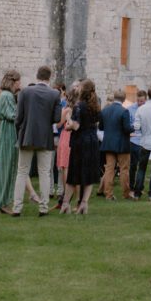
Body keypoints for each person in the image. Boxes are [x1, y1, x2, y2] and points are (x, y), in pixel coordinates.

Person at [12, 65, 62, 216]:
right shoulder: (55, 94)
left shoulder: (25, 92)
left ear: (37, 76)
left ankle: (17, 208)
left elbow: (18, 118)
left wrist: (21, 129)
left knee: (22, 172)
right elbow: (57, 118)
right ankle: (43, 208)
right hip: (45, 137)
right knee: (44, 173)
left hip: (27, 135)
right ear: (49, 77)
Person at [62, 78, 101, 215]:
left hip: (81, 142)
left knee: (74, 172)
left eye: (79, 87)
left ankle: (65, 203)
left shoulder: (79, 106)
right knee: (88, 173)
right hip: (92, 141)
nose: (77, 89)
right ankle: (84, 203)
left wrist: (68, 119)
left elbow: (76, 126)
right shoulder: (95, 105)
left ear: (83, 90)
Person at [99, 89, 134, 201]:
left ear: (114, 98)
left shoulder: (105, 110)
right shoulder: (124, 111)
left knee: (109, 169)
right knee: (124, 169)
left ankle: (108, 194)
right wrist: (134, 127)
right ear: (124, 99)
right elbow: (127, 129)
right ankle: (126, 194)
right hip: (122, 144)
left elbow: (101, 127)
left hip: (108, 143)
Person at [0, 70, 21, 214]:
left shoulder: (5, 95)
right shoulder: (7, 95)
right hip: (8, 131)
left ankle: (2, 202)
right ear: (13, 82)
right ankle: (3, 203)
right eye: (18, 81)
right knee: (8, 166)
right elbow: (12, 115)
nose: (19, 84)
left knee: (7, 166)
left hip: (7, 130)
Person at [54, 81, 78, 208]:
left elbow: (58, 125)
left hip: (66, 136)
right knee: (74, 166)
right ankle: (76, 195)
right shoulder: (78, 109)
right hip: (75, 137)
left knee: (65, 166)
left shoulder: (66, 110)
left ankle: (66, 194)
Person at [128, 89, 147, 195]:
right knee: (133, 165)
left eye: (142, 101)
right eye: (139, 101)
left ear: (146, 100)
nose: (140, 103)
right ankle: (131, 187)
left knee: (142, 166)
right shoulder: (130, 109)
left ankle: (139, 187)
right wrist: (133, 127)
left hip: (144, 141)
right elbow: (128, 124)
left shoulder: (148, 109)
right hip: (134, 141)